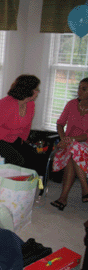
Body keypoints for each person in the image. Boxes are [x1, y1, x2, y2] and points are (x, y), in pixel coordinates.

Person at [0, 74, 41, 170]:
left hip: (13, 138)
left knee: (33, 156)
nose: (38, 92)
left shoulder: (30, 104)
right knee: (17, 160)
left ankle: (27, 183)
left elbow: (27, 125)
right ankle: (11, 183)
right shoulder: (6, 104)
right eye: (37, 89)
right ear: (29, 90)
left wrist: (23, 140)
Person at [50, 78, 88, 211]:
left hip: (85, 146)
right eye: (79, 88)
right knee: (73, 152)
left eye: (84, 89)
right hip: (69, 145)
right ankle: (85, 188)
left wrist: (70, 140)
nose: (79, 91)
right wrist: (64, 138)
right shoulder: (71, 104)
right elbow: (60, 123)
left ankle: (63, 198)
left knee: (73, 150)